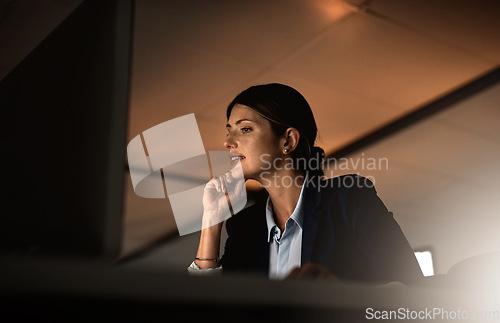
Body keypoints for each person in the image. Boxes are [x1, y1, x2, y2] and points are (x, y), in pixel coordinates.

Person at [188, 83, 423, 283]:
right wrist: (212, 219)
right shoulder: (244, 228)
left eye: (245, 129)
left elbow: (412, 290)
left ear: (288, 140)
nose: (227, 141)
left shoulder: (349, 199)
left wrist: (338, 295)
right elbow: (209, 310)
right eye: (229, 130)